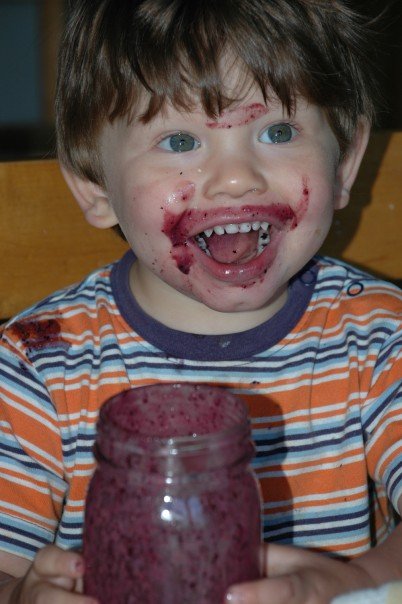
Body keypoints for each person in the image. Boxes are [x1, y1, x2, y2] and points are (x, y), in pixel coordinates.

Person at [0, 0, 401, 602]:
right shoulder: (38, 364)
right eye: (180, 139)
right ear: (94, 186)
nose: (236, 178)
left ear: (344, 163)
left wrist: (358, 581)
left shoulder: (381, 337)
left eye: (278, 132)